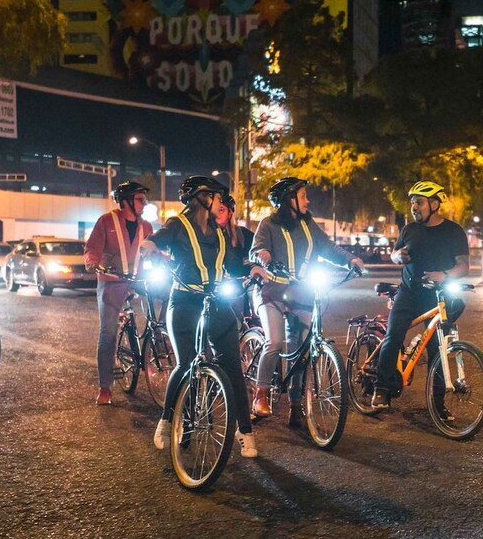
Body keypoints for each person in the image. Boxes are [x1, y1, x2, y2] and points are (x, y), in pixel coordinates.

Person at [139, 176, 267, 458]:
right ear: (203, 198)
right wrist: (149, 245)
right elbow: (158, 239)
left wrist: (252, 269)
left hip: (215, 301)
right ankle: (166, 420)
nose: (222, 203)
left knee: (232, 367)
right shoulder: (178, 225)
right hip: (184, 301)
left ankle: (245, 432)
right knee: (185, 364)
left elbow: (232, 264)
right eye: (218, 197)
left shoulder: (220, 234)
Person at [250, 176, 364, 427]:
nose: (307, 200)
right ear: (288, 200)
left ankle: (296, 402)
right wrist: (264, 255)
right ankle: (260, 394)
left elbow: (328, 248)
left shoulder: (308, 223)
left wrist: (350, 260)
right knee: (276, 341)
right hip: (272, 291)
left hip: (302, 291)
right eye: (302, 196)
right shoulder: (268, 224)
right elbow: (256, 250)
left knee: (302, 348)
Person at [371, 181, 469, 417]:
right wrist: (397, 256)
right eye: (412, 202)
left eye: (419, 202)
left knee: (437, 349)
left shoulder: (453, 231)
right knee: (393, 336)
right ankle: (381, 389)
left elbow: (464, 266)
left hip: (438, 296)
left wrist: (444, 275)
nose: (414, 206)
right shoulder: (409, 230)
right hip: (409, 293)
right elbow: (395, 254)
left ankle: (438, 405)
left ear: (434, 204)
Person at [84, 181, 153, 406]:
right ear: (126, 202)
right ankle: (105, 387)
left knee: (167, 303)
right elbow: (92, 248)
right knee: (109, 333)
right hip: (111, 282)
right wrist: (92, 262)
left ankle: (157, 342)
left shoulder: (147, 227)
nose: (144, 203)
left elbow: (155, 253)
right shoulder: (106, 221)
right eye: (140, 199)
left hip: (137, 281)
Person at [215, 191, 255, 323]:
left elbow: (258, 249)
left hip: (238, 283)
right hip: (215, 285)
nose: (217, 213)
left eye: (221, 210)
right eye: (215, 210)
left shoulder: (242, 234)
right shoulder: (207, 235)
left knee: (242, 315)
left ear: (230, 212)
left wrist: (253, 267)